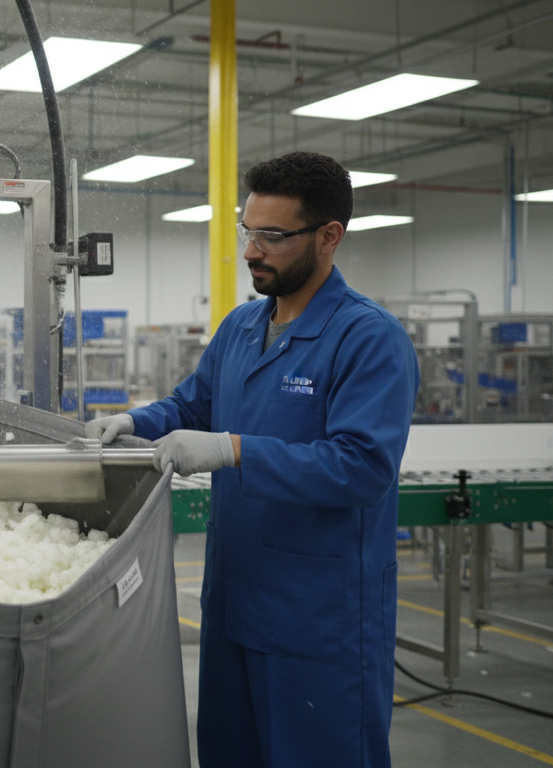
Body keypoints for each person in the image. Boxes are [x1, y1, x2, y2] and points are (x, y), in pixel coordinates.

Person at [88, 152, 419, 767]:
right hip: (234, 604)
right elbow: (193, 405)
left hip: (319, 622)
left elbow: (363, 467)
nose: (251, 251)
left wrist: (233, 449)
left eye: (273, 236)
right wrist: (135, 421)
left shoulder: (368, 338)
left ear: (328, 237)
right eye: (249, 231)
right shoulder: (241, 327)